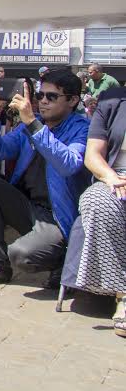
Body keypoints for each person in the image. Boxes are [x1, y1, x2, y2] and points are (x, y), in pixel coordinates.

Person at [0, 70, 89, 286]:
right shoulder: (31, 125)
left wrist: (32, 123)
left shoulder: (82, 128)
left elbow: (68, 164)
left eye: (52, 97)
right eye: (40, 96)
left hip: (59, 216)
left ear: (73, 100)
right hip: (29, 207)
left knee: (21, 254)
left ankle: (64, 260)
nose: (43, 102)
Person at [75, 88, 126, 337]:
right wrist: (111, 178)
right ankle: (123, 292)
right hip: (116, 181)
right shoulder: (112, 100)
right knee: (95, 201)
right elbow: (93, 155)